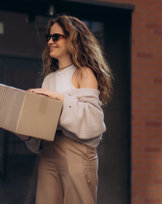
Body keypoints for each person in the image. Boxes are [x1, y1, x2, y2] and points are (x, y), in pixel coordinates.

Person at [22, 15, 113, 204]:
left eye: (56, 37)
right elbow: (43, 123)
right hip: (49, 151)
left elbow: (93, 122)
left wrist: (59, 98)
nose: (50, 41)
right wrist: (25, 130)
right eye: (48, 36)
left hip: (77, 151)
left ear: (72, 39)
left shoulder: (84, 73)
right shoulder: (49, 79)